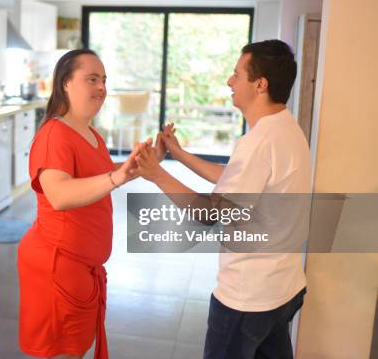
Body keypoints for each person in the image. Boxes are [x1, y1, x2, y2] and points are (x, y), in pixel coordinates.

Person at [134, 40, 310, 358]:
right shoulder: (287, 128)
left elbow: (209, 214)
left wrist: (155, 173)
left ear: (260, 85)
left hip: (248, 298)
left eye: (236, 74)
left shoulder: (259, 141)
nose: (230, 81)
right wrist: (179, 154)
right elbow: (233, 177)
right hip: (284, 287)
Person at [18, 49, 150, 359]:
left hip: (80, 267)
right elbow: (60, 195)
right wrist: (116, 178)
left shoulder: (91, 134)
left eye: (103, 80)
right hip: (57, 265)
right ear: (65, 83)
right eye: (92, 79)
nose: (101, 87)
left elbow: (98, 179)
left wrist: (130, 169)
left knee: (74, 349)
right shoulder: (55, 135)